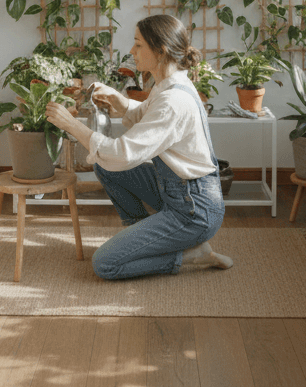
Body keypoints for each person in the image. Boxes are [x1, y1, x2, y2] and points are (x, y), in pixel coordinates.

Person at [44, 14, 233, 280]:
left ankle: (191, 254)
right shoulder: (168, 85)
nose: (132, 51)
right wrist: (120, 101)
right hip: (179, 192)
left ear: (161, 50)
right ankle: (146, 241)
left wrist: (72, 125)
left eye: (138, 44)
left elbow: (121, 154)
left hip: (194, 210)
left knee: (106, 264)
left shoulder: (173, 101)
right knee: (106, 168)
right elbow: (147, 115)